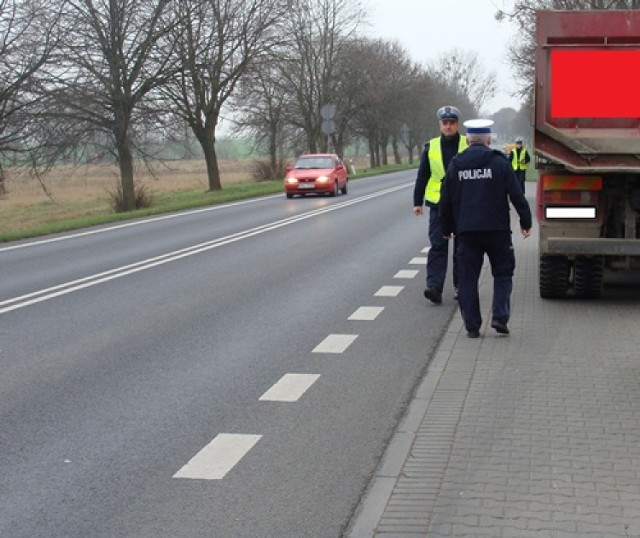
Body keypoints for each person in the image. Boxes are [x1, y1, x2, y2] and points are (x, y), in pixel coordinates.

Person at [439, 119, 532, 338]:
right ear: (489, 141)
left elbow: (446, 201)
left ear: (468, 140)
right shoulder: (499, 163)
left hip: (467, 231)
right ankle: (499, 318)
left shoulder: (456, 164)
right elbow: (517, 195)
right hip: (497, 230)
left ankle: (472, 327)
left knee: (467, 278)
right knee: (503, 272)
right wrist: (525, 222)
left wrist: (446, 228)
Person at [412, 105, 468, 304]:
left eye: (452, 123)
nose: (448, 126)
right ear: (440, 125)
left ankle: (462, 286)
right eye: (445, 123)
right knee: (438, 245)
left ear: (457, 124)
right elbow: (423, 176)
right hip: (437, 204)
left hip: (462, 204)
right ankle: (434, 287)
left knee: (463, 248)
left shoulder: (467, 144)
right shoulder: (431, 147)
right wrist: (417, 202)